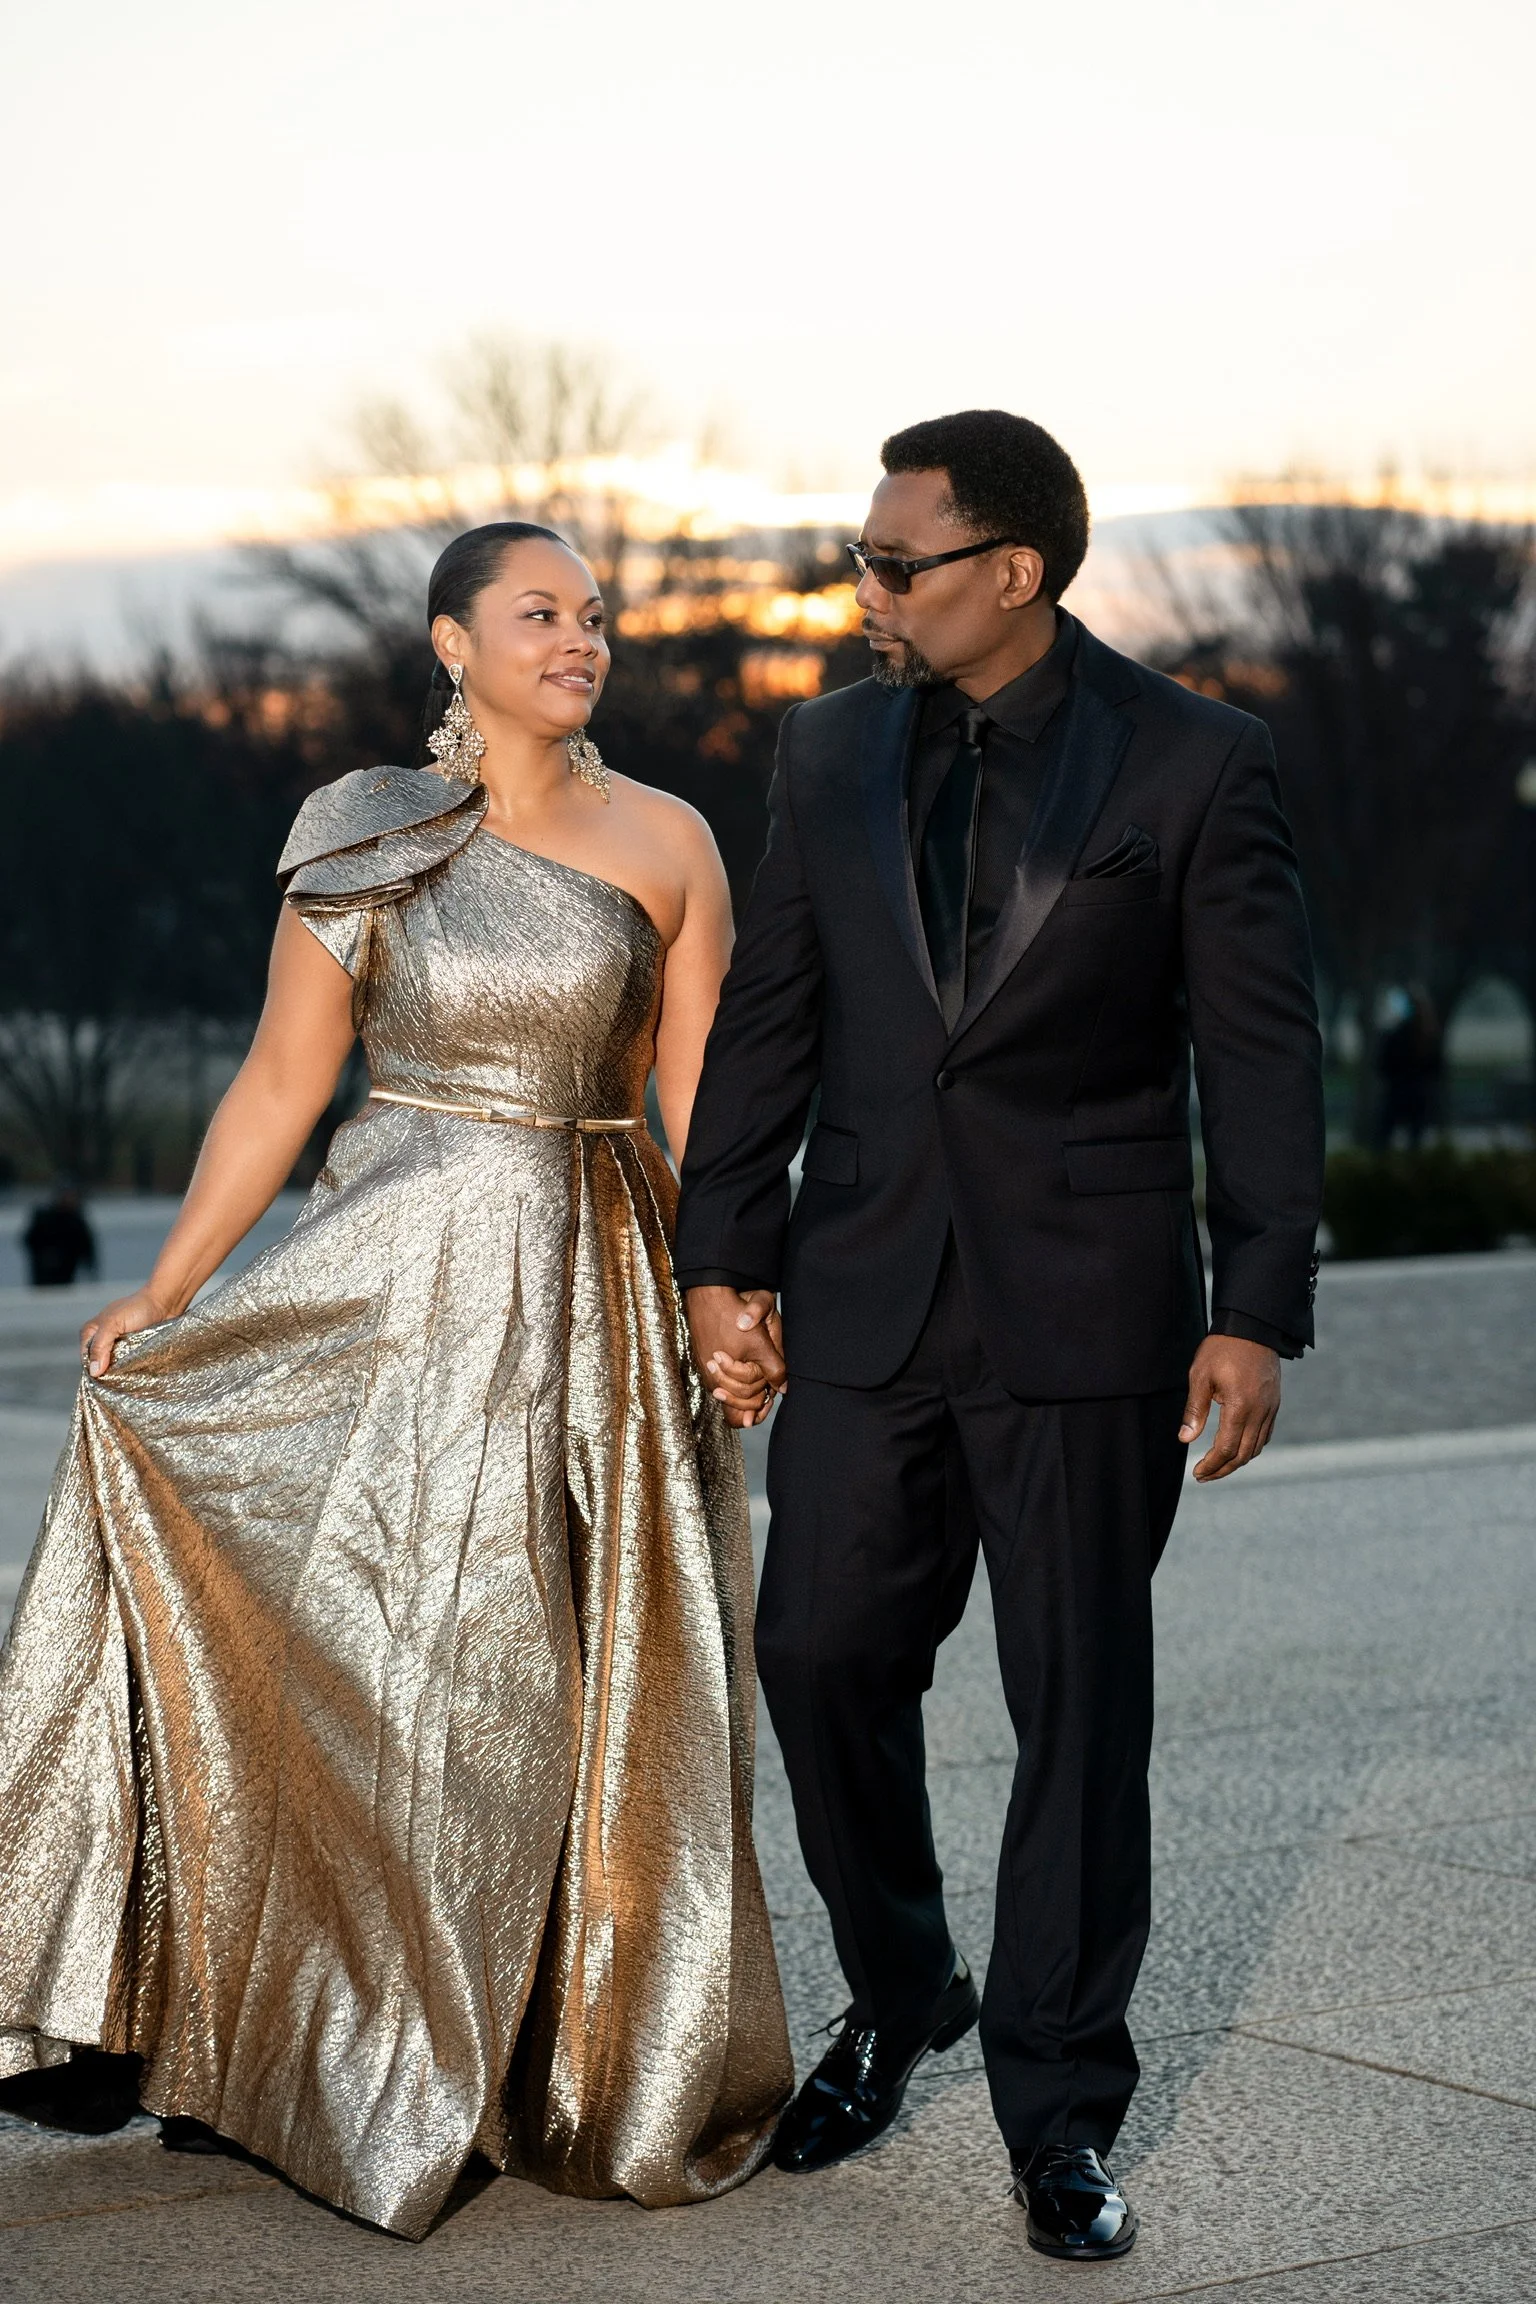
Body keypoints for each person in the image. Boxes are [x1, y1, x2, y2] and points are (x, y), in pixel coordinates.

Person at [0, 522, 791, 2237]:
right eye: (539, 613)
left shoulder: (668, 836)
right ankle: (267, 2027)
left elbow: (710, 1102)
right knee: (359, 1660)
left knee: (545, 1681)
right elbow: (283, 1081)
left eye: (593, 615)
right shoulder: (368, 829)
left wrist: (733, 1293)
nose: (578, 638)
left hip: (589, 1286)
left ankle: (530, 2057)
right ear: (454, 640)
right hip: (385, 1277)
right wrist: (170, 1288)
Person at [676, 412, 1324, 2264]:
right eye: (861, 553)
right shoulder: (826, 745)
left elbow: (1260, 1052)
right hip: (866, 1290)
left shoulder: (1197, 761)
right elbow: (773, 1016)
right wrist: (726, 1247)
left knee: (1076, 1711)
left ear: (1011, 575)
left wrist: (1255, 1303)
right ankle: (903, 1986)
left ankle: (1060, 2114)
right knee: (811, 1651)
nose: (861, 585)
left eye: (894, 561)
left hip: (1091, 1309)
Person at [22, 1186, 97, 1287]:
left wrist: (91, 1269)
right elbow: (29, 1240)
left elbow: (86, 1247)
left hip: (67, 1272)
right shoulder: (45, 1218)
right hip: (44, 1273)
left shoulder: (77, 1221)